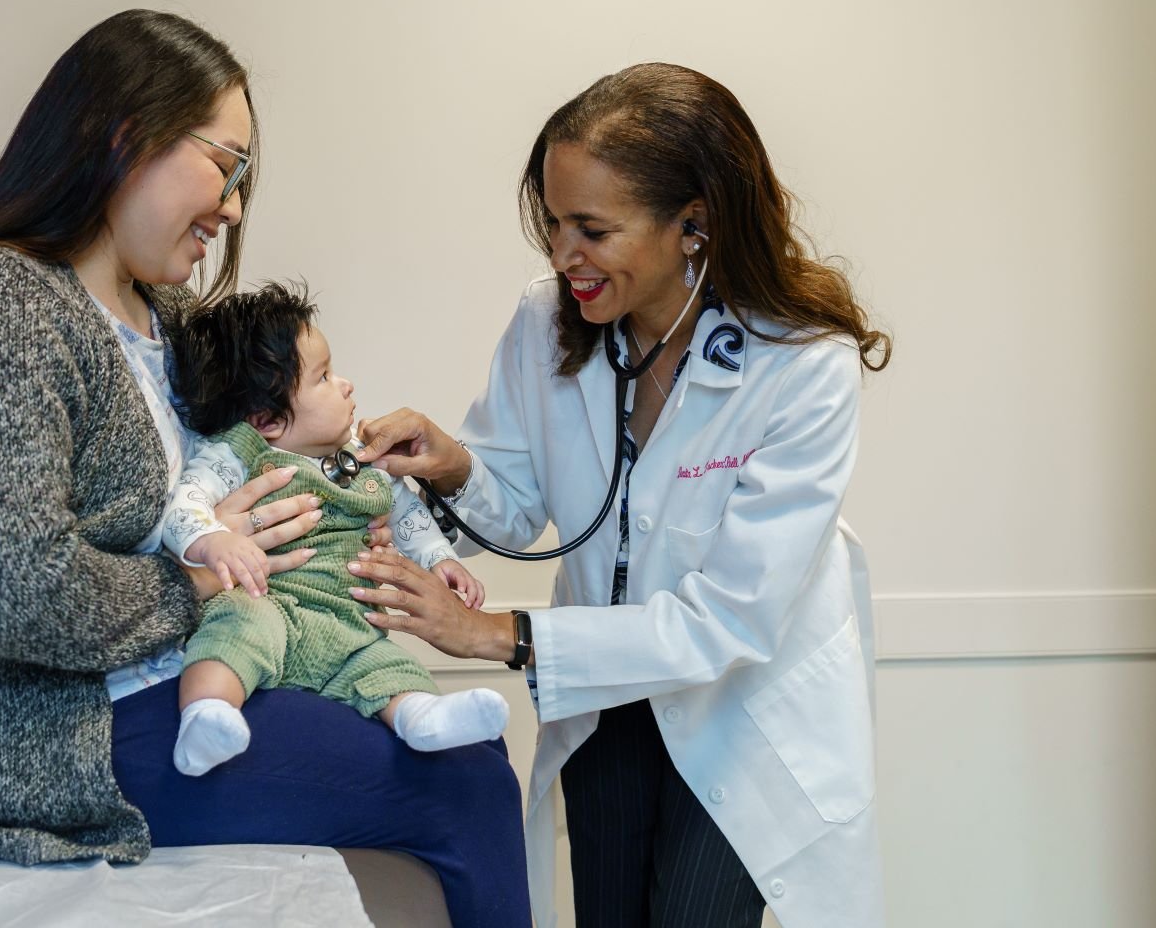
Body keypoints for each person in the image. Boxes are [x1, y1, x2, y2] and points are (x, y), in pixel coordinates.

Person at [0, 9, 529, 928]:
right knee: (464, 783)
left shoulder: (167, 323)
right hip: (36, 738)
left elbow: (256, 457)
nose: (231, 208)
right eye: (225, 168)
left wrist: (342, 518)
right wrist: (199, 584)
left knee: (451, 745)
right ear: (126, 137)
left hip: (168, 678)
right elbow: (8, 592)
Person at [350, 63, 892, 928]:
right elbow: (520, 509)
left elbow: (733, 620)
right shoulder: (546, 322)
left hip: (743, 713)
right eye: (556, 224)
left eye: (592, 229)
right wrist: (453, 466)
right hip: (610, 704)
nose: (565, 256)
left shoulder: (801, 364)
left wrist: (502, 635)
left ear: (694, 226)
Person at [157, 282, 506, 776]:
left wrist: (438, 559)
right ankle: (207, 716)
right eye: (323, 377)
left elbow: (405, 514)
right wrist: (212, 539)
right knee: (233, 636)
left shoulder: (359, 462)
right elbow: (184, 503)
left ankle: (422, 715)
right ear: (268, 420)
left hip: (348, 624)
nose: (346, 385)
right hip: (268, 604)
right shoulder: (241, 454)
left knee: (386, 664)